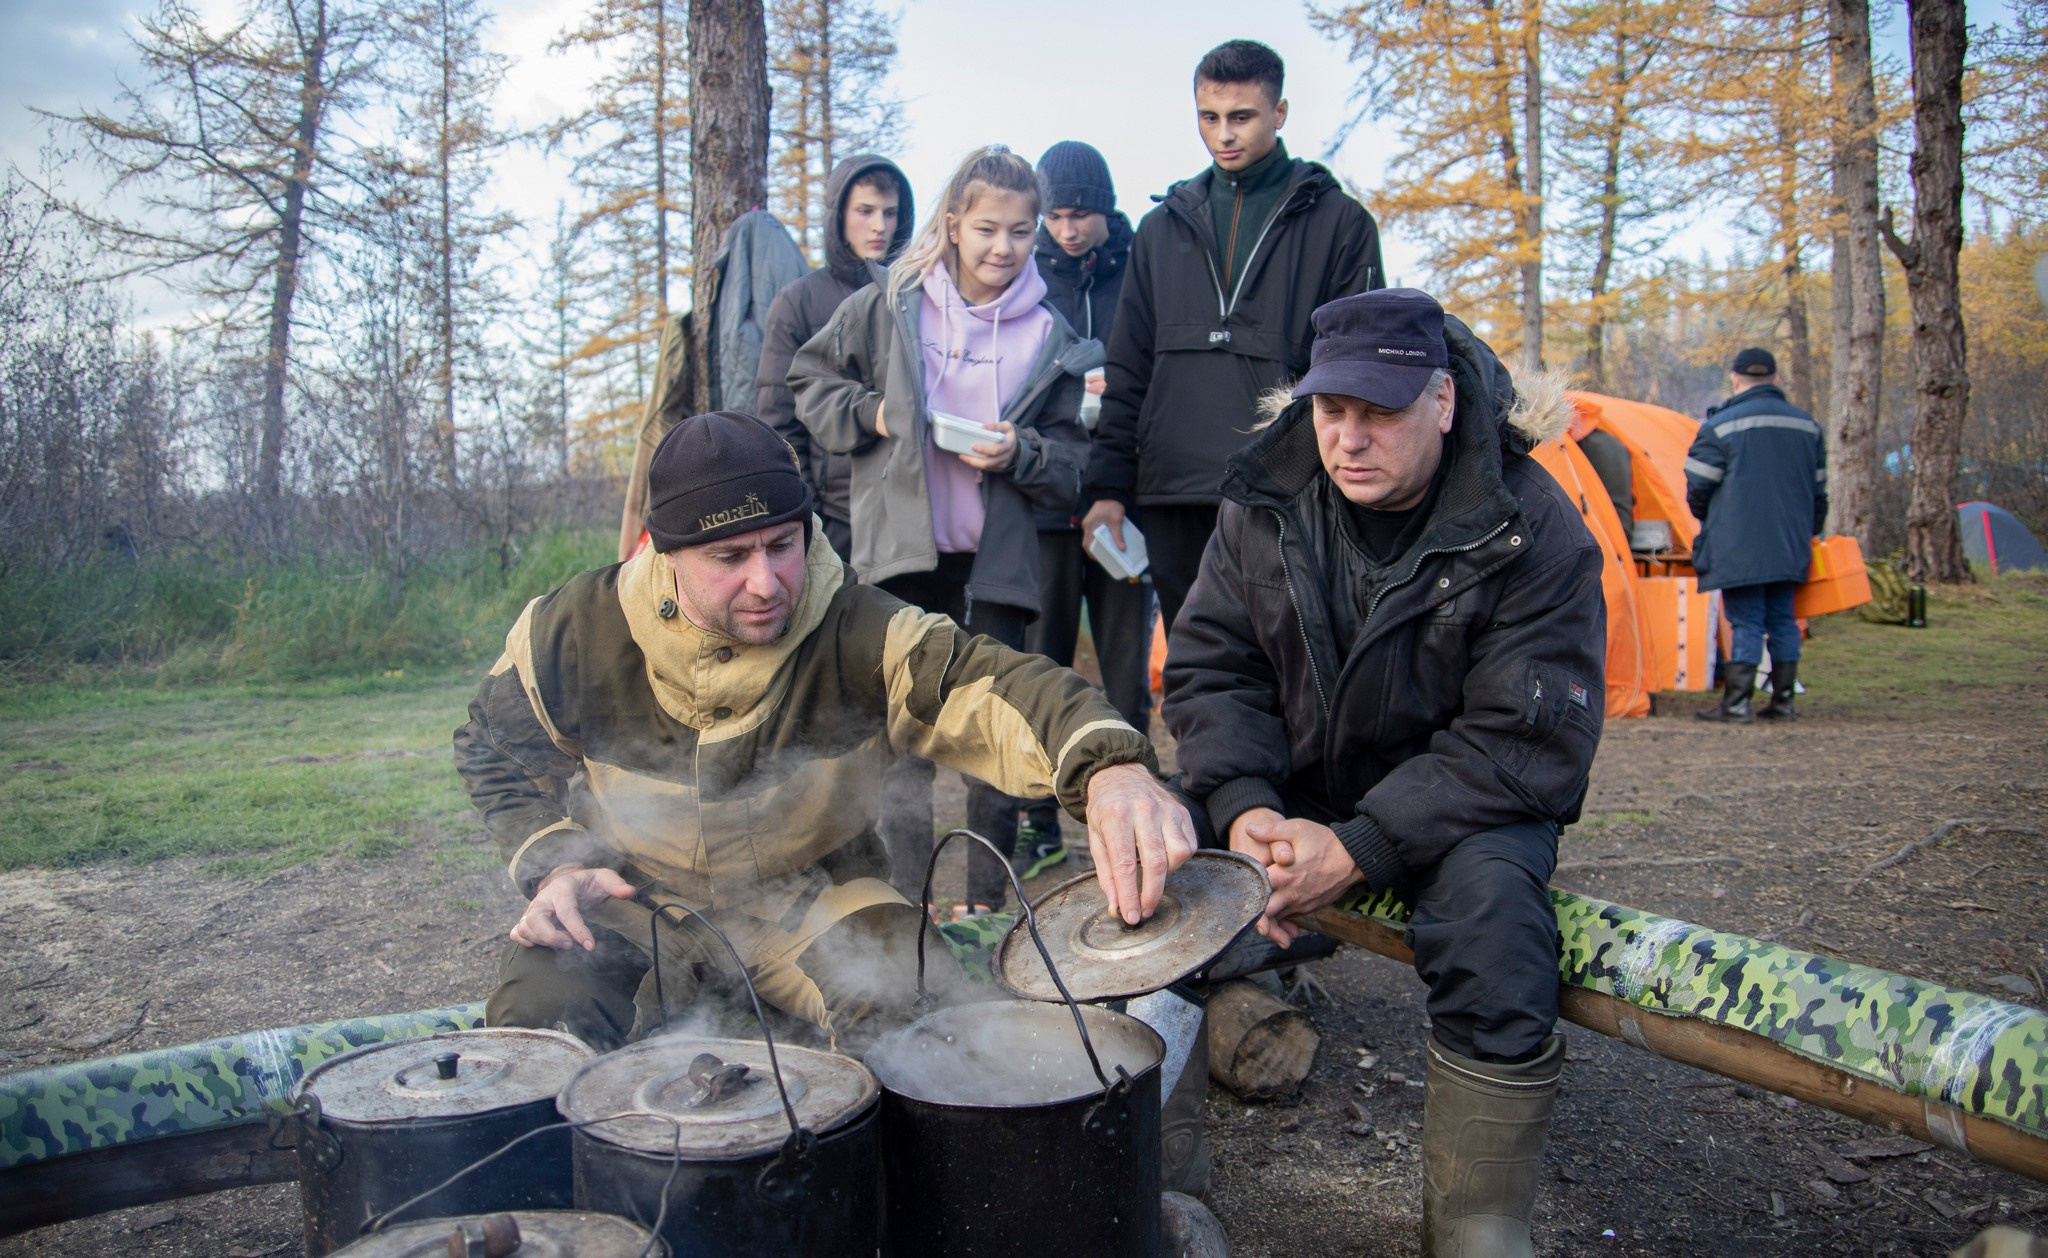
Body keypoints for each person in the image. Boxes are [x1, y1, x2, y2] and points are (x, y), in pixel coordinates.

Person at [455, 410, 1194, 1052]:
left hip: (815, 901)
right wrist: (555, 864)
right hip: (632, 897)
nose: (768, 582)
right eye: (729, 557)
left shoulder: (863, 629)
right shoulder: (574, 628)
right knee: (540, 1023)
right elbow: (489, 745)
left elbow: (997, 685)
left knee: (923, 1019)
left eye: (782, 544)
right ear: (663, 550)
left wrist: (1110, 768)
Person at [1162, 289, 1605, 1258]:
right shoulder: (1264, 497)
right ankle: (1158, 1181)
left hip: (1460, 809)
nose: (1348, 439)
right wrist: (1242, 809)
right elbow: (1209, 667)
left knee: (1496, 919)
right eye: (1331, 412)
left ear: (1441, 402)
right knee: (1150, 862)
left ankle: (1477, 1224)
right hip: (1294, 786)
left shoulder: (1533, 530)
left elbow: (1522, 744)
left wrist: (1358, 846)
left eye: (1379, 413)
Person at [787, 145, 1103, 914]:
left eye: (1022, 232)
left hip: (995, 567)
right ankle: (912, 904)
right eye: (989, 228)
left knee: (990, 737)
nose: (1004, 248)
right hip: (902, 561)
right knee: (902, 742)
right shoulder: (892, 304)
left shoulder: (1051, 336)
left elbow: (1071, 464)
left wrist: (1020, 451)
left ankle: (986, 905)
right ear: (954, 223)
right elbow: (809, 381)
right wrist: (874, 413)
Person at [1080, 38, 1385, 634]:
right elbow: (1128, 369)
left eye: (1241, 117)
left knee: (1292, 671)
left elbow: (1360, 368)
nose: (1224, 134)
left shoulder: (1340, 223)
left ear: (1280, 113)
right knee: (1198, 668)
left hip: (1289, 489)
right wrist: (1109, 488)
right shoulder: (1160, 228)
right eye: (1208, 117)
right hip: (1173, 492)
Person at [1003, 139, 1155, 878]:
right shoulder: (1024, 277)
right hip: (1043, 510)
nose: (1068, 229)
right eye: (1056, 215)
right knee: (1045, 667)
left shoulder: (1138, 272)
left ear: (1106, 210)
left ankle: (1138, 813)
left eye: (1081, 215)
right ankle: (1040, 826)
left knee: (1127, 675)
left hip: (1123, 505)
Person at [754, 155, 915, 560]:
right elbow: (778, 420)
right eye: (865, 211)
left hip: (911, 512)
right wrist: (804, 513)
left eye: (890, 212)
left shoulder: (920, 298)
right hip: (836, 518)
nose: (880, 226)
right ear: (839, 215)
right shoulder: (798, 302)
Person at [1687, 347, 1827, 723]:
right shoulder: (1807, 426)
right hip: (1790, 542)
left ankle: (1736, 704)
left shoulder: (1720, 427)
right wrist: (1806, 533)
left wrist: (1712, 521)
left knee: (1746, 619)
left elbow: (1698, 487)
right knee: (1783, 618)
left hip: (1739, 542)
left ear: (1735, 378)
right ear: (1775, 379)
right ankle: (1783, 702)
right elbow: (1819, 494)